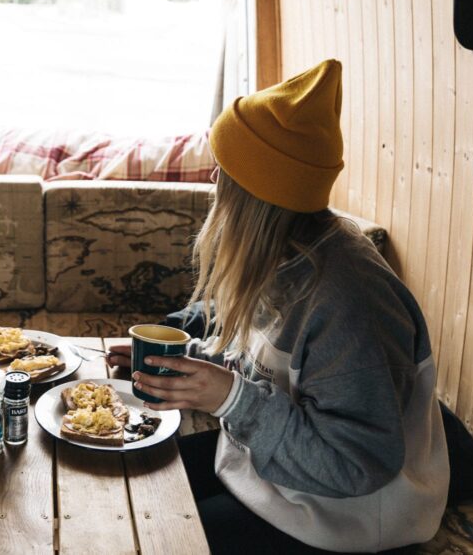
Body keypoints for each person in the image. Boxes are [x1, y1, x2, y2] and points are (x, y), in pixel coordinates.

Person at [107, 59, 449, 554]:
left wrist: (230, 398)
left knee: (146, 538)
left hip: (338, 524)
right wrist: (192, 368)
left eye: (226, 169)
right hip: (267, 480)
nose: (215, 178)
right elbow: (265, 372)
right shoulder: (280, 255)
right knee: (124, 475)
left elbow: (356, 465)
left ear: (258, 193)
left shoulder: (351, 301)